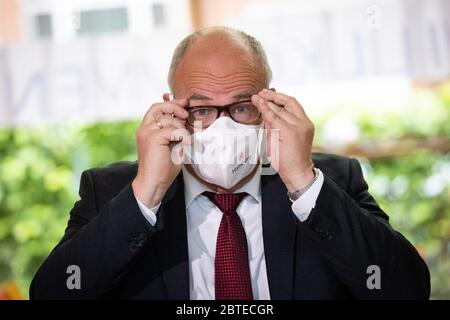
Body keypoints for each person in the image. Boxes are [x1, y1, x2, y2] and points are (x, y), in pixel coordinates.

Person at [30, 26, 430, 300]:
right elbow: (55, 293)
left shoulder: (331, 180)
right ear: (171, 108)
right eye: (201, 109)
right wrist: (147, 193)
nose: (221, 127)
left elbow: (406, 289)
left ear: (271, 104)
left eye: (241, 107)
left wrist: (303, 183)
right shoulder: (113, 191)